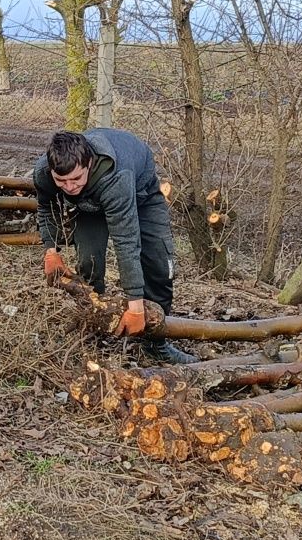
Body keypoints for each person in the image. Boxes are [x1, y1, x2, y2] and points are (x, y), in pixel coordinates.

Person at [33, 128, 195, 366]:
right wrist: (51, 250)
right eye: (61, 181)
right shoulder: (44, 172)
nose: (68, 187)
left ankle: (155, 344)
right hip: (89, 203)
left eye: (75, 178)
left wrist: (136, 305)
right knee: (89, 262)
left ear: (88, 163)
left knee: (159, 265)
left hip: (142, 195)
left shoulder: (116, 175)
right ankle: (94, 332)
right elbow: (46, 207)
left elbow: (126, 241)